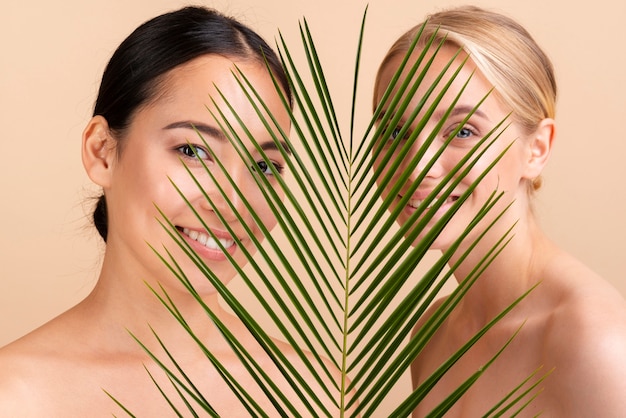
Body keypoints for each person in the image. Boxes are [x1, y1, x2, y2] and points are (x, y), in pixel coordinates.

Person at [0, 6, 338, 417]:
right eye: (193, 151)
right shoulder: (16, 394)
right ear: (102, 152)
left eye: (264, 166)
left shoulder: (316, 394)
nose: (234, 202)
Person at [372, 5, 626, 417]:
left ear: (536, 149)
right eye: (395, 132)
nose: (417, 167)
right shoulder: (432, 333)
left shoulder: (593, 339)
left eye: (462, 131)